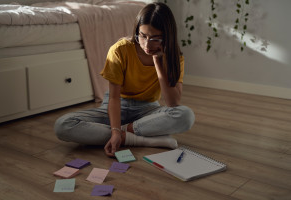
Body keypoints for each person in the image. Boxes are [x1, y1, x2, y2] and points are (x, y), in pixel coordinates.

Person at [54, 2, 195, 157]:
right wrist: (115, 130)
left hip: (147, 110)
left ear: (167, 37)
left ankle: (124, 133)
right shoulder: (120, 49)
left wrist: (158, 62)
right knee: (63, 125)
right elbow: (114, 97)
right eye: (143, 36)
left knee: (186, 116)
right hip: (116, 106)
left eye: (155, 39)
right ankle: (138, 138)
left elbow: (173, 103)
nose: (147, 44)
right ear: (137, 31)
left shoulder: (175, 57)